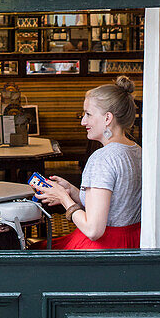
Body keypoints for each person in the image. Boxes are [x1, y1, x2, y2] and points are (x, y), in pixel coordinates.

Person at [34, 77, 141, 249]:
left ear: (107, 118)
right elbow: (115, 204)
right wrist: (72, 191)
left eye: (88, 114)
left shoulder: (102, 158)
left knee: (35, 252)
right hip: (132, 242)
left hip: (103, 247)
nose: (83, 121)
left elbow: (93, 230)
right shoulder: (137, 150)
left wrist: (63, 198)